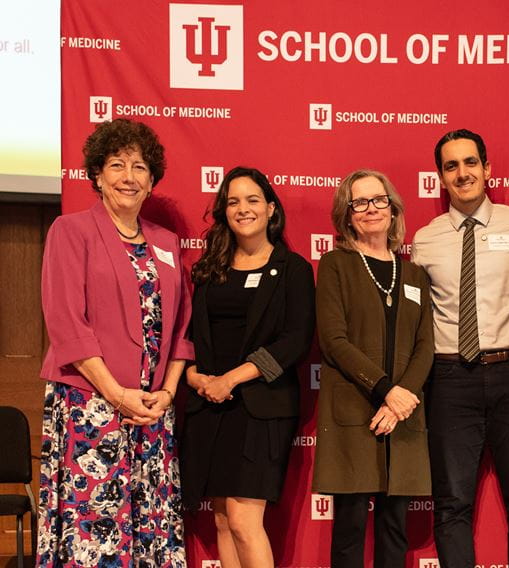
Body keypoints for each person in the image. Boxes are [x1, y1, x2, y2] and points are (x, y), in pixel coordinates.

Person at [38, 118, 192, 566]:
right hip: (91, 403)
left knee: (151, 524)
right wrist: (116, 394)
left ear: (151, 179)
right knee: (96, 526)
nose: (129, 176)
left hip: (150, 410)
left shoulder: (166, 242)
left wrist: (165, 393)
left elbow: (182, 328)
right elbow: (67, 322)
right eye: (117, 165)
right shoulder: (71, 230)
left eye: (140, 167)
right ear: (98, 176)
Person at [412, 129, 509, 568]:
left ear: (487, 169)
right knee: (451, 504)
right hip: (451, 379)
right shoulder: (424, 239)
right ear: (440, 177)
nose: (462, 173)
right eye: (451, 166)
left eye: (470, 162)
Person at [180, 166, 315, 568]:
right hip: (210, 405)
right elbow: (191, 335)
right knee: (222, 519)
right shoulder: (209, 268)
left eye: (253, 200)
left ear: (271, 209)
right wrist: (193, 376)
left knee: (243, 519)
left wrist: (232, 379)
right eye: (233, 201)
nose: (243, 209)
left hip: (260, 407)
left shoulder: (292, 269)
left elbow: (295, 341)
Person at [312, 170, 433, 568]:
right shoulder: (335, 265)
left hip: (403, 416)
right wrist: (386, 390)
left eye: (378, 200)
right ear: (347, 216)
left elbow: (424, 347)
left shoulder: (413, 273)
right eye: (359, 203)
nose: (371, 209)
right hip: (355, 413)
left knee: (395, 530)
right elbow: (334, 341)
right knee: (348, 531)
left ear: (393, 207)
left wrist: (401, 400)